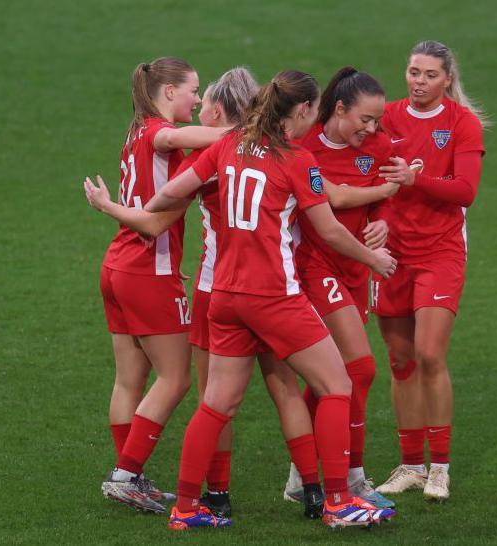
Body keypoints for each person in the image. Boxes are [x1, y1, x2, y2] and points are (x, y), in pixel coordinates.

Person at [142, 70, 397, 530]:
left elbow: (169, 193)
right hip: (274, 296)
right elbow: (331, 230)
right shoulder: (298, 160)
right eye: (312, 113)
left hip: (224, 296)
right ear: (300, 111)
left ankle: (185, 508)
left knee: (217, 403)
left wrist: (142, 212)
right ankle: (338, 501)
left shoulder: (228, 143)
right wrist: (373, 259)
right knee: (338, 385)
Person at [85, 67, 326, 519]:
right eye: (193, 94)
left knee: (207, 400)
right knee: (287, 391)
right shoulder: (268, 154)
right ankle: (316, 489)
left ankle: (208, 492)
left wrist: (111, 207)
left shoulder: (190, 149)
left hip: (210, 289)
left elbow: (165, 197)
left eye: (204, 97)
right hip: (273, 289)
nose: (198, 105)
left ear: (219, 108)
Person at [96, 57, 227, 514]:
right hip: (147, 272)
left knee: (130, 380)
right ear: (169, 92)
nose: (197, 98)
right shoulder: (156, 130)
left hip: (118, 266)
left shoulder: (134, 132)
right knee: (176, 378)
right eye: (193, 90)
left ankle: (127, 476)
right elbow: (175, 138)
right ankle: (126, 473)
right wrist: (250, 135)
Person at [371, 40, 486, 502]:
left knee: (430, 354)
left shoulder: (462, 123)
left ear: (448, 79)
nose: (419, 82)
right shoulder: (386, 116)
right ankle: (410, 465)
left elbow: (466, 190)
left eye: (429, 75)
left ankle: (440, 467)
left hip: (439, 253)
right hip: (391, 254)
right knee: (400, 362)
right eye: (413, 72)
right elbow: (367, 176)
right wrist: (375, 219)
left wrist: (415, 179)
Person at [281, 66, 399, 509]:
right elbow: (335, 198)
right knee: (360, 369)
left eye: (377, 121)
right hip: (315, 265)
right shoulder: (303, 143)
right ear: (339, 108)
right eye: (364, 119)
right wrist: (385, 187)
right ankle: (350, 477)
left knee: (331, 377)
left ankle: (305, 471)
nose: (371, 130)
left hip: (355, 272)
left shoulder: (380, 146)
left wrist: (384, 220)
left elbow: (387, 201)